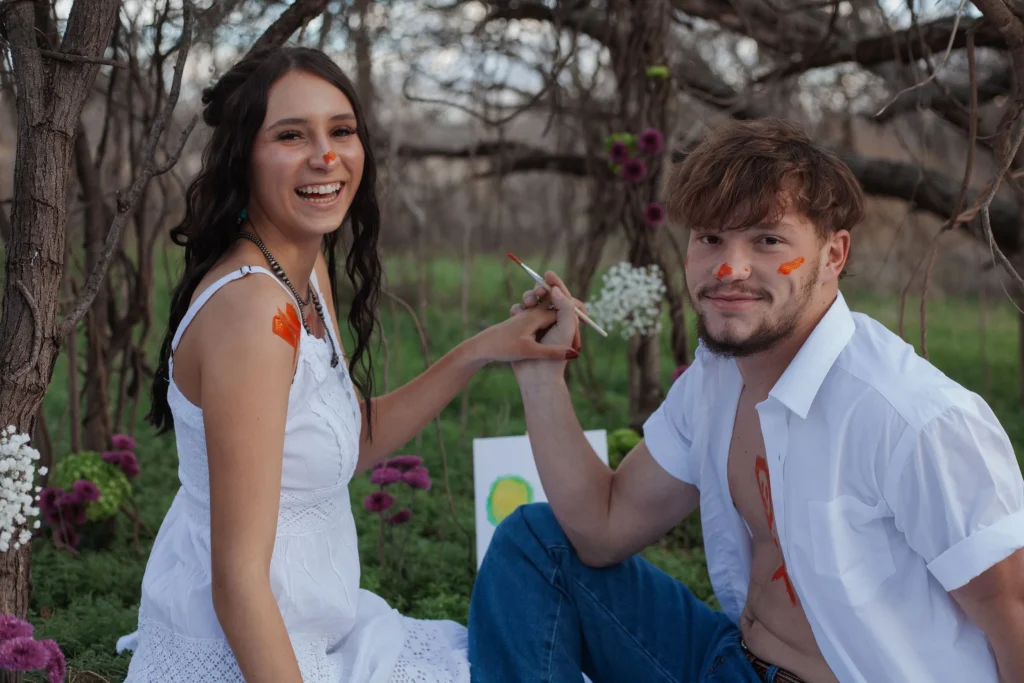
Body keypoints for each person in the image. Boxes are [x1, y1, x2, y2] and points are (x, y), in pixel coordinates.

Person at [468, 118, 1024, 683]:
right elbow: (602, 527)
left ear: (833, 255)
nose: (730, 269)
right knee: (535, 542)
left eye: (767, 239)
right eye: (710, 238)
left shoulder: (913, 418)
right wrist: (541, 373)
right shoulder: (715, 380)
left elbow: (1017, 619)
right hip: (730, 659)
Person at [115, 46, 579, 682]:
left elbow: (345, 441)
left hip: (323, 623)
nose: (326, 156)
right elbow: (239, 584)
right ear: (243, 155)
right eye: (291, 135)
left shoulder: (301, 273)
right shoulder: (254, 313)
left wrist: (486, 347)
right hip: (253, 651)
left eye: (341, 131)